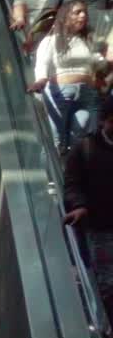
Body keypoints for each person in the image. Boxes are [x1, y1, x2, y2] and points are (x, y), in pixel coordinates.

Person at [30, 0, 106, 152]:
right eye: (77, 12)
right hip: (61, 93)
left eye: (85, 12)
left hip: (87, 95)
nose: (83, 15)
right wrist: (40, 81)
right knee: (57, 138)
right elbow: (43, 63)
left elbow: (98, 64)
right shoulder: (52, 40)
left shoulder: (87, 41)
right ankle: (54, 171)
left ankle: (70, 169)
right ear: (65, 17)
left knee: (81, 131)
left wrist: (102, 66)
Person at [65, 96, 113, 317]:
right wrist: (79, 205)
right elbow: (72, 184)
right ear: (104, 121)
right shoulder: (84, 148)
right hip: (100, 226)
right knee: (107, 282)